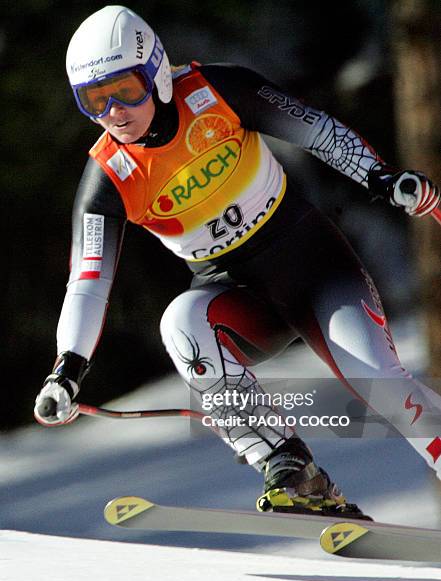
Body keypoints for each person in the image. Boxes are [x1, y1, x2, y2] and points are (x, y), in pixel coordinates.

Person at [34, 5, 441, 519]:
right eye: (94, 100)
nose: (114, 111)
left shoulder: (218, 92)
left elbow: (315, 129)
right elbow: (88, 281)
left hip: (313, 267)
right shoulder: (109, 178)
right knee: (181, 323)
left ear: (156, 73)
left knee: (383, 386)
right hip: (240, 298)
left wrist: (381, 178)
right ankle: (292, 470)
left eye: (126, 90)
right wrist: (66, 371)